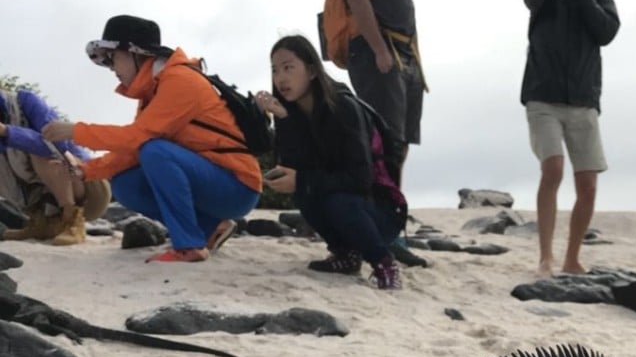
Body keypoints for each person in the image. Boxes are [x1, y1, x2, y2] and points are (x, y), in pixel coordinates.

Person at [41, 15, 261, 262]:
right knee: (125, 183)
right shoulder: (153, 91)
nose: (111, 67)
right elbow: (134, 148)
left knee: (155, 151)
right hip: (214, 181)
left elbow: (137, 138)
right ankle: (211, 226)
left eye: (112, 57)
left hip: (237, 185)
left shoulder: (180, 80)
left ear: (135, 52)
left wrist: (76, 131)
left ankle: (189, 246)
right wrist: (87, 170)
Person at [255, 35, 403, 290]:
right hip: (351, 206)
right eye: (275, 70)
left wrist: (301, 180)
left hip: (380, 211)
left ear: (312, 70)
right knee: (306, 194)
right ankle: (345, 254)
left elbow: (360, 179)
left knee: (333, 197)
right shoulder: (292, 113)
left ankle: (384, 263)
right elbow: (296, 165)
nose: (281, 78)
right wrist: (282, 119)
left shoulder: (342, 108)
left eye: (289, 67)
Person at [522, 0, 619, 277]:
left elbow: (607, 32)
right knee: (553, 170)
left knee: (588, 185)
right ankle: (545, 257)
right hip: (542, 98)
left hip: (583, 101)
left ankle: (571, 258)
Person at [340, 0, 425, 188]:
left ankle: (390, 199)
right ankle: (379, 205)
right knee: (384, 138)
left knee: (401, 141)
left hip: (405, 54)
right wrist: (378, 48)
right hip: (376, 51)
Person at [0, 87, 110, 245]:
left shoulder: (24, 101)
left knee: (39, 149)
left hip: (87, 187)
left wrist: (6, 132)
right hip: (45, 200)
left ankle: (71, 222)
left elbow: (55, 146)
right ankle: (41, 223)